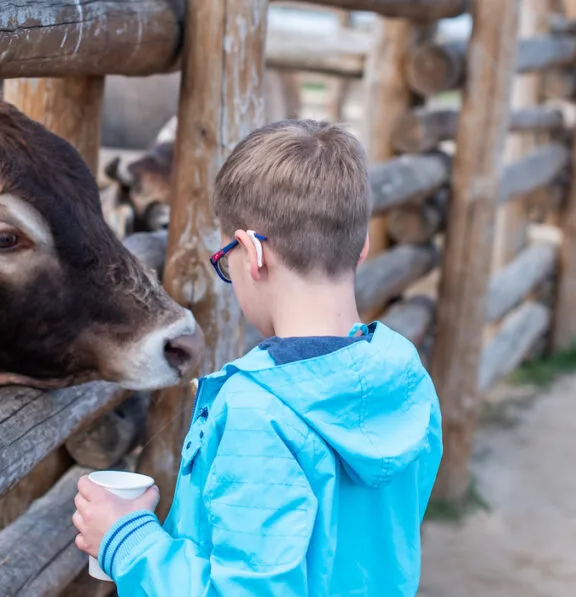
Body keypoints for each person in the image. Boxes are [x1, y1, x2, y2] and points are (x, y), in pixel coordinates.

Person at [71, 119, 443, 596]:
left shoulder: (260, 413)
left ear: (251, 254)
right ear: (363, 246)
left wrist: (126, 541)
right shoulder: (405, 375)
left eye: (226, 261)